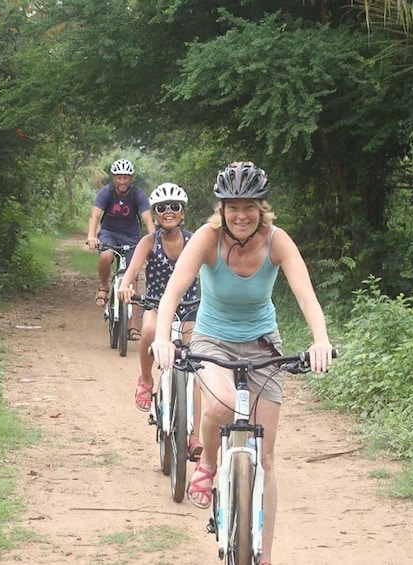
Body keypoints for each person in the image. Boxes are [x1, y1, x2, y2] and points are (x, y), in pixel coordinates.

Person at [149, 161, 334, 565]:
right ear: (222, 209)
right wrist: (163, 338)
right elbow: (171, 295)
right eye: (233, 206)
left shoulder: (277, 241)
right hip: (213, 340)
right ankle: (209, 463)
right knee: (220, 404)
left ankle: (264, 556)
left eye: (249, 205)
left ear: (261, 208)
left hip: (264, 345)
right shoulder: (207, 239)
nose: (241, 214)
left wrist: (320, 340)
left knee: (266, 457)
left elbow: (307, 297)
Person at [116, 183, 204, 457]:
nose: (168, 212)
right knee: (149, 330)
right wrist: (126, 286)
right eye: (162, 208)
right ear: (154, 214)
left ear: (183, 212)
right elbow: (131, 272)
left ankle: (195, 436)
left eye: (174, 207)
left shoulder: (195, 242)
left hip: (189, 307)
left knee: (198, 365)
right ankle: (145, 379)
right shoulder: (148, 242)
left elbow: (212, 270)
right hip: (154, 305)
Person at [85, 158, 155, 341]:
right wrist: (92, 236)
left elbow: (148, 219)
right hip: (109, 233)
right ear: (113, 178)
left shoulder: (137, 194)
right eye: (119, 177)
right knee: (105, 256)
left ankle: (133, 326)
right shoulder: (106, 193)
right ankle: (104, 286)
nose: (122, 181)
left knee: (133, 279)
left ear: (131, 179)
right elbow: (95, 215)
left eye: (125, 177)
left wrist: (155, 241)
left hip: (131, 237)